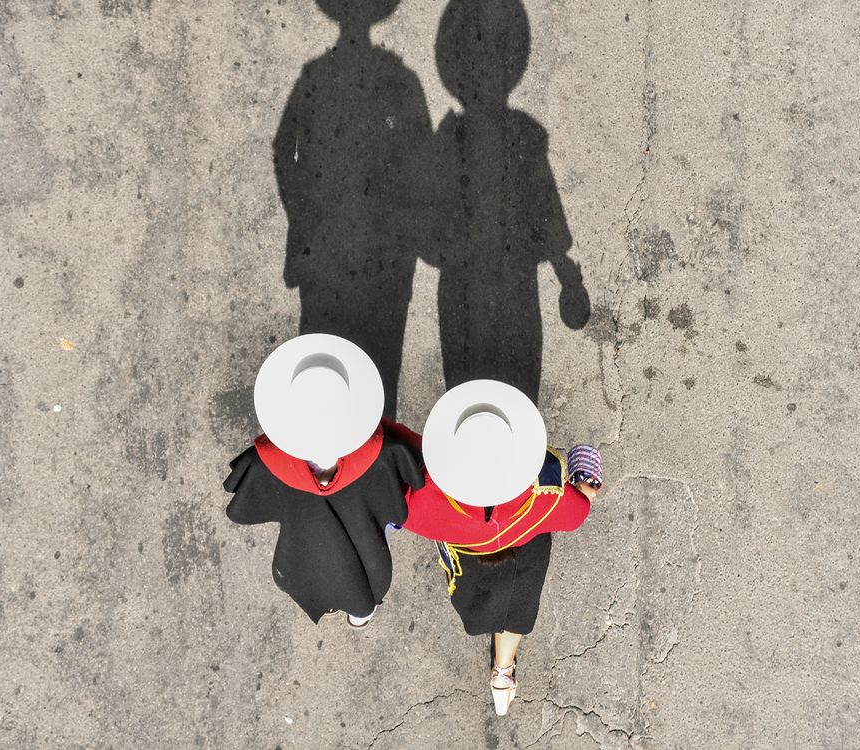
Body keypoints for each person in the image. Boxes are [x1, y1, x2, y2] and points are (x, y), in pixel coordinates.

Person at [272, 0, 433, 417]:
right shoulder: (399, 80)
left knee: (324, 366)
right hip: (382, 254)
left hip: (328, 249)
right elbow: (423, 163)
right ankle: (372, 449)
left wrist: (303, 217)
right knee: (378, 368)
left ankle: (324, 444)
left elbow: (282, 149)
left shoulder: (317, 75)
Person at [425, 0, 591, 403]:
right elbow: (430, 232)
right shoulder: (456, 140)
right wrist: (565, 270)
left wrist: (566, 273)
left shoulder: (520, 137)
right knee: (477, 385)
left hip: (503, 284)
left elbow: (545, 204)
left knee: (504, 386)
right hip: (481, 286)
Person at [403, 380, 600, 715]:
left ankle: (499, 667)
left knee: (479, 607)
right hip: (524, 554)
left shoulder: (422, 500)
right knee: (516, 613)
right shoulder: (544, 492)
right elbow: (577, 512)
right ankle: (502, 675)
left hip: (468, 565)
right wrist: (585, 484)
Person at [223, 334, 424, 628]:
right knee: (369, 565)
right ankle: (361, 613)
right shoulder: (382, 451)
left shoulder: (264, 460)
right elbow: (407, 474)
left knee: (315, 567)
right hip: (365, 533)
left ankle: (327, 598)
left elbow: (244, 497)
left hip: (303, 537)